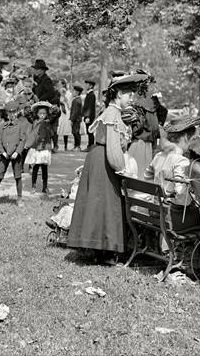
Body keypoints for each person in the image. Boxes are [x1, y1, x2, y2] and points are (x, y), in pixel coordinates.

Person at [67, 73, 149, 265]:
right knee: (106, 204)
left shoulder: (111, 113)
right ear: (119, 94)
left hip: (98, 158)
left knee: (98, 203)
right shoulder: (113, 114)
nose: (131, 99)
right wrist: (122, 170)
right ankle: (104, 250)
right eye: (129, 95)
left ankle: (97, 248)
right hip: (104, 160)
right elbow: (113, 149)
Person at [144, 113, 200, 234]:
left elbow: (147, 178)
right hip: (172, 218)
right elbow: (181, 197)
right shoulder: (181, 161)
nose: (193, 144)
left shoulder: (158, 156)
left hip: (156, 213)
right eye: (193, 139)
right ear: (185, 137)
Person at [0, 100, 27, 206]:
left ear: (17, 112)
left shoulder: (21, 125)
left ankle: (19, 199)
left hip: (15, 155)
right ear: (7, 113)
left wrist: (17, 152)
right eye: (10, 112)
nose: (12, 114)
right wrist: (2, 152)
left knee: (18, 177)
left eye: (14, 112)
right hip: (4, 155)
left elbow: (22, 140)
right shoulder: (2, 125)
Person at [126, 75, 160, 178]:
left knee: (135, 170)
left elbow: (138, 127)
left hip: (139, 142)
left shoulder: (137, 103)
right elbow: (160, 118)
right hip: (149, 142)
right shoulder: (153, 102)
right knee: (144, 171)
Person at [26, 101, 55, 195]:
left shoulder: (48, 122)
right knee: (35, 168)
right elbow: (27, 114)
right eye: (40, 113)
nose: (42, 115)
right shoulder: (34, 121)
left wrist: (54, 107)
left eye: (44, 113)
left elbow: (56, 114)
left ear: (47, 114)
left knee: (44, 169)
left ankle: (45, 187)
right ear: (37, 114)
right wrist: (29, 107)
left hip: (45, 147)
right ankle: (33, 186)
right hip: (36, 147)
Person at [81, 79, 97, 151]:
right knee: (88, 131)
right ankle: (89, 145)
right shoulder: (89, 94)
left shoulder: (92, 95)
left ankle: (90, 146)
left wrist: (88, 116)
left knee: (90, 131)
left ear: (91, 86)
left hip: (89, 116)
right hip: (87, 115)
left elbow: (90, 107)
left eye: (87, 84)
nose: (86, 86)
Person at [56, 86, 73, 152]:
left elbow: (68, 107)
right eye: (62, 92)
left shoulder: (66, 98)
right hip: (60, 114)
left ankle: (65, 145)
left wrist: (66, 102)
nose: (63, 93)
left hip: (65, 114)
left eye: (64, 92)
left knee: (65, 130)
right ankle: (56, 145)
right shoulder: (58, 98)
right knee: (58, 129)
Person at [69, 84, 84, 151]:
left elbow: (75, 111)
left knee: (75, 132)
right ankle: (76, 146)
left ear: (77, 92)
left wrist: (72, 120)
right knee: (76, 132)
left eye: (74, 91)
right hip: (78, 119)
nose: (72, 92)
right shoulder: (78, 100)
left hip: (76, 119)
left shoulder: (76, 101)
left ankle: (77, 146)